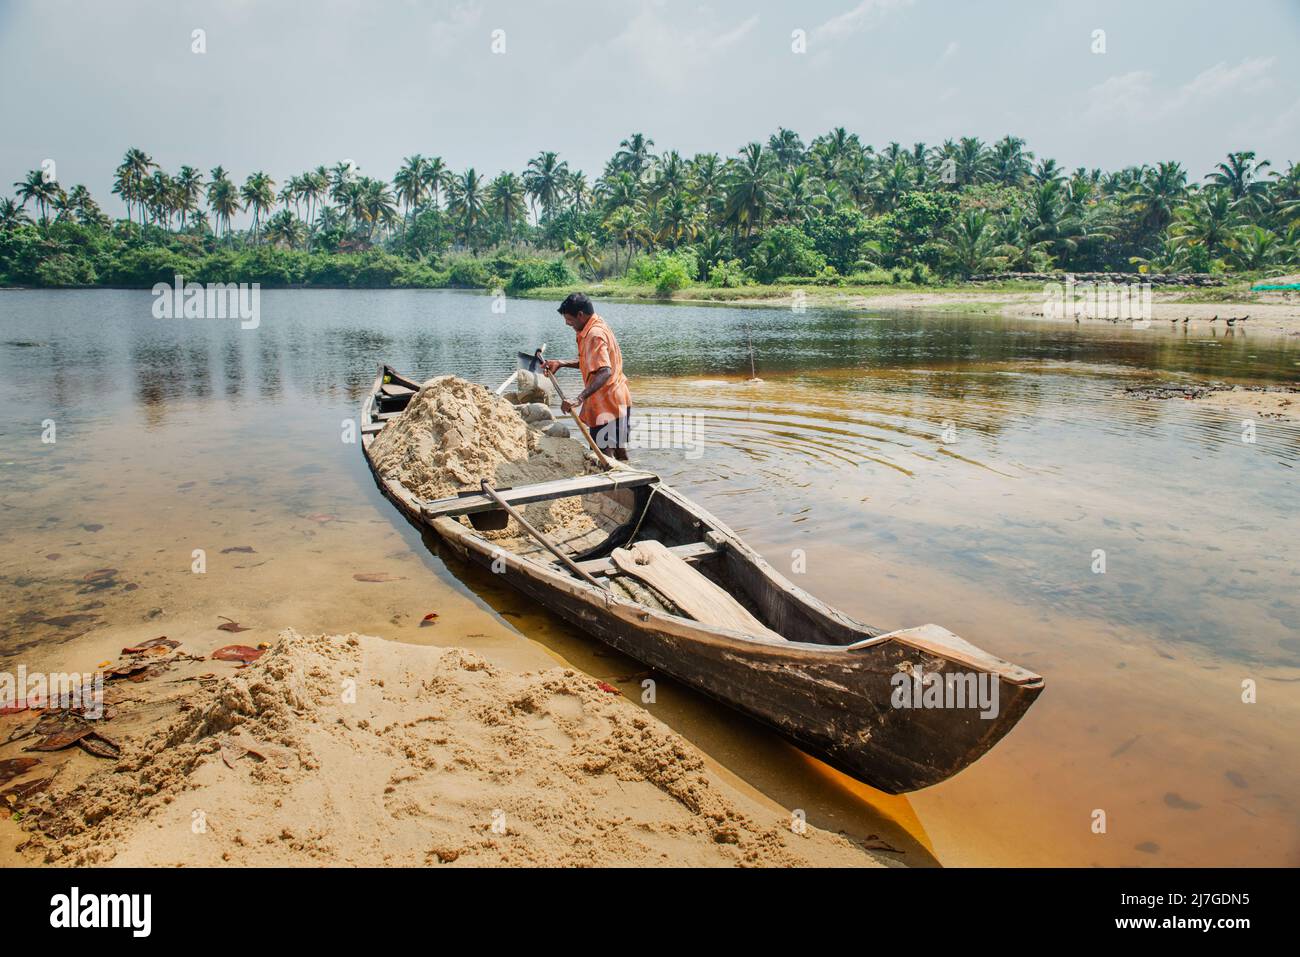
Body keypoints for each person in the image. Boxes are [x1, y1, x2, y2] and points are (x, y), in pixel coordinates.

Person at [543, 293, 633, 461]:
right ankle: (634, 485)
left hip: (606, 407)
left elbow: (605, 371)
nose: (567, 323)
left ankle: (610, 486)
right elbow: (593, 362)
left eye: (569, 319)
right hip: (620, 400)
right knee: (620, 453)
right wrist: (561, 363)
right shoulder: (597, 324)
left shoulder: (594, 335)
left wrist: (578, 399)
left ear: (580, 315)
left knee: (603, 458)